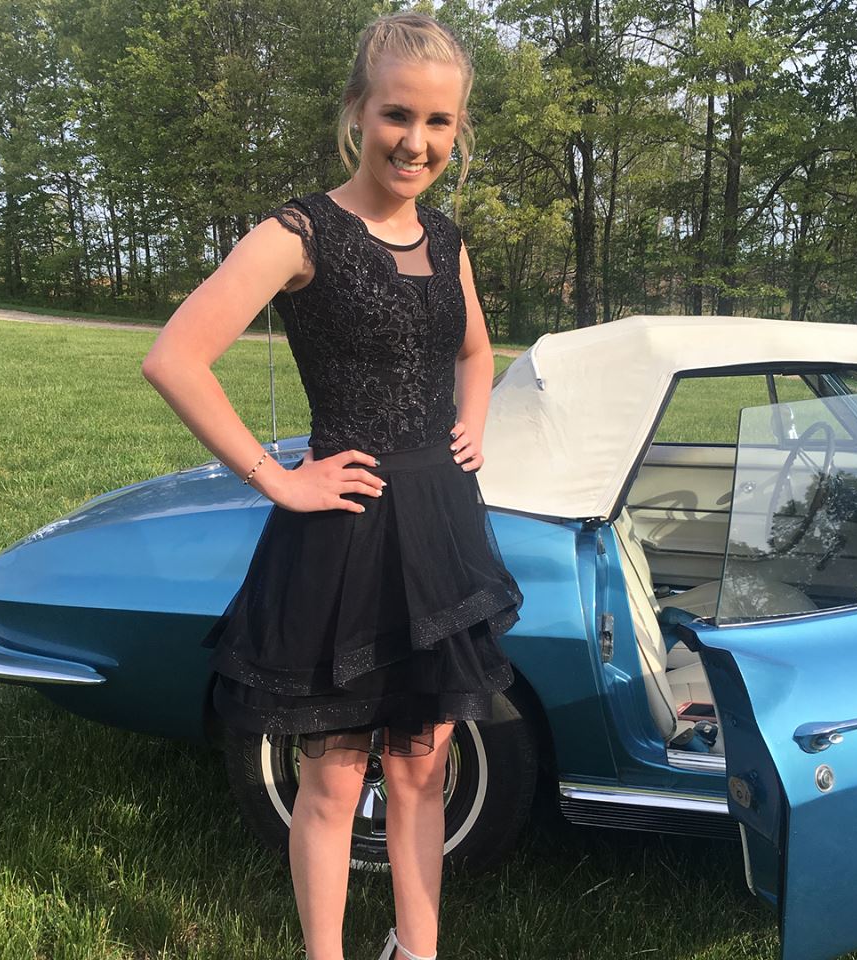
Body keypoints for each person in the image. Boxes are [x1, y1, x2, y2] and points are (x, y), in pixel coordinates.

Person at [141, 12, 522, 960]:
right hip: (344, 533)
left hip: (438, 527)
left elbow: (478, 352)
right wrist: (278, 479)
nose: (416, 141)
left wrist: (473, 421)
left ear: (459, 129)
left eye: (439, 122)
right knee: (336, 778)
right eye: (398, 114)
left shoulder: (448, 237)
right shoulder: (300, 232)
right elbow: (175, 357)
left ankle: (417, 949)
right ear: (357, 110)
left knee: (424, 767)